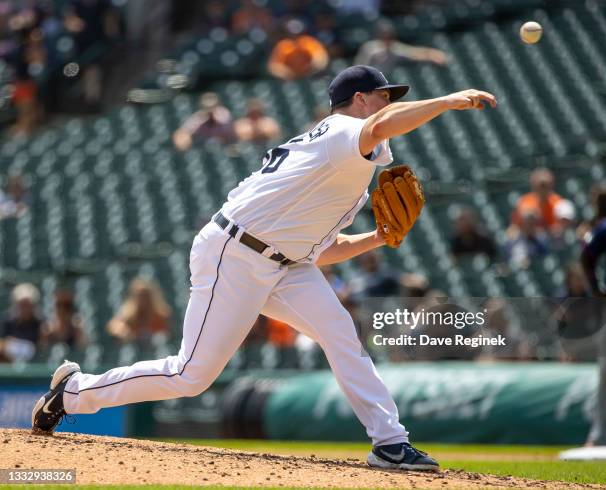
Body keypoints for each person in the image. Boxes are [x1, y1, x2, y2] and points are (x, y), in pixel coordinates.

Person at [32, 64, 496, 471]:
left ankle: (391, 443)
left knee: (341, 335)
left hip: (285, 262)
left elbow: (320, 249)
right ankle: (74, 391)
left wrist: (376, 238)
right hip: (233, 254)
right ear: (359, 100)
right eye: (383, 96)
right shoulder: (338, 133)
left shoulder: (343, 167)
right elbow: (381, 125)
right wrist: (448, 101)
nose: (389, 103)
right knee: (191, 375)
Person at [580, 189, 606, 446]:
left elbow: (586, 256)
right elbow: (587, 256)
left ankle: (600, 434)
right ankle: (600, 435)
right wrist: (596, 290)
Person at [355, 20, 448, 73]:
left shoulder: (395, 48)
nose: (387, 39)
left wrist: (434, 55)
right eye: (384, 35)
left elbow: (414, 53)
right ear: (379, 35)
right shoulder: (369, 48)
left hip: (384, 82)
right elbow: (359, 67)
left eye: (389, 36)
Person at [106, 278, 171, 348]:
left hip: (155, 349)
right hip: (136, 348)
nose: (142, 298)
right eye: (139, 295)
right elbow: (113, 326)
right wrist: (125, 332)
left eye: (144, 295)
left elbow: (167, 333)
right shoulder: (128, 311)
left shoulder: (160, 312)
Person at [511, 168, 568, 233]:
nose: (544, 188)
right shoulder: (525, 201)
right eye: (541, 185)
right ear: (534, 185)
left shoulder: (558, 201)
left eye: (546, 185)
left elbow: (563, 227)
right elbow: (515, 227)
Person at [0, 283, 44, 363]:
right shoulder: (8, 321)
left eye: (27, 305)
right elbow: (2, 344)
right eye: (21, 305)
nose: (24, 308)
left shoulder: (40, 322)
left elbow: (41, 347)